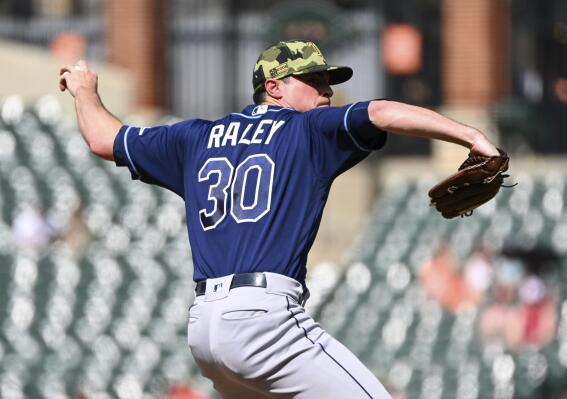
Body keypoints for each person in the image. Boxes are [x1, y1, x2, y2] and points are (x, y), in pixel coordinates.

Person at [59, 39, 500, 399]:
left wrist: (83, 89)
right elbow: (381, 111)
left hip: (205, 330)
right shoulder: (306, 130)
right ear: (274, 87)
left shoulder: (195, 137)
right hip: (263, 318)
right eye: (313, 82)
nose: (326, 93)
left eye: (327, 84)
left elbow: (103, 138)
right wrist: (472, 135)